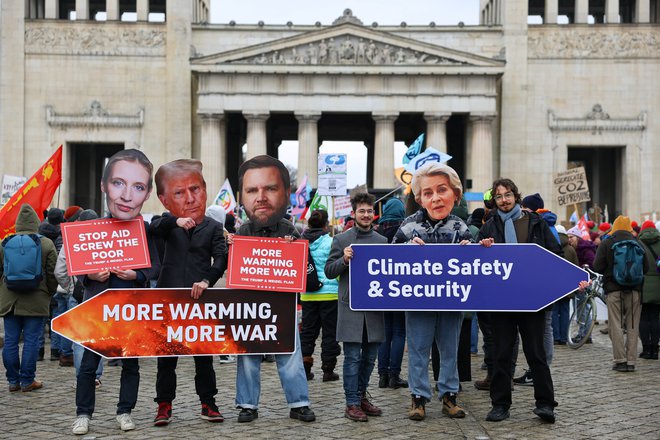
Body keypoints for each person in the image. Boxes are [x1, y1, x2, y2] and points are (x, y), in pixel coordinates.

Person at [72, 149, 161, 435]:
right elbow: (79, 278)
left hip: (131, 308)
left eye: (138, 186)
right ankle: (83, 414)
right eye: (118, 183)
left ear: (147, 194)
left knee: (130, 366)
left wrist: (136, 274)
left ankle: (125, 411)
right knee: (87, 366)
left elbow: (155, 268)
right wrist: (89, 274)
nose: (126, 195)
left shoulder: (145, 231)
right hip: (96, 309)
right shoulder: (90, 229)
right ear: (104, 186)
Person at [228, 154, 315, 423]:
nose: (260, 197)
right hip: (251, 307)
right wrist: (230, 250)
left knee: (289, 356)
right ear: (243, 196)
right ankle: (247, 405)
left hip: (282, 306)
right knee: (248, 358)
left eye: (270, 189)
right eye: (252, 190)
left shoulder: (291, 229)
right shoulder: (241, 232)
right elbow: (233, 274)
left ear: (285, 195)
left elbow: (310, 280)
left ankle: (299, 403)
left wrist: (298, 256)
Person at [149, 159, 227, 425]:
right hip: (168, 301)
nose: (191, 199)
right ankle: (164, 405)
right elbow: (153, 229)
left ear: (205, 190)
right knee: (166, 359)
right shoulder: (165, 224)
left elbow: (221, 259)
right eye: (180, 193)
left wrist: (207, 280)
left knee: (204, 357)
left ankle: (208, 403)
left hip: (199, 300)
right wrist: (175, 221)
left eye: (196, 189)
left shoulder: (215, 228)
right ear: (165, 199)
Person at [477, 178, 560, 424]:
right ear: (495, 200)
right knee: (501, 354)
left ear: (516, 196)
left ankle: (546, 404)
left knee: (536, 354)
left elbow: (555, 254)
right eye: (499, 196)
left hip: (532, 300)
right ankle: (500, 404)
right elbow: (476, 264)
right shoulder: (489, 227)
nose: (504, 200)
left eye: (508, 195)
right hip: (502, 302)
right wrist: (482, 248)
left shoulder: (535, 222)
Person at [392, 163, 471, 421]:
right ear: (419, 199)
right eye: (428, 193)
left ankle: (449, 396)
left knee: (450, 349)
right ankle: (418, 398)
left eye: (442, 190)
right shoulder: (407, 227)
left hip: (451, 300)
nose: (436, 198)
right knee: (418, 349)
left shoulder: (461, 227)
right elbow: (387, 261)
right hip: (418, 303)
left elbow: (475, 267)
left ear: (455, 194)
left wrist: (475, 250)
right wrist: (405, 251)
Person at [325, 192, 385, 422]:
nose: (367, 214)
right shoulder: (341, 240)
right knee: (352, 358)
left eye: (370, 211)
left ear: (374, 213)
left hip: (374, 309)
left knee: (370, 358)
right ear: (354, 213)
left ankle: (361, 396)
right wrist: (344, 261)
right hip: (351, 308)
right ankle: (351, 402)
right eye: (362, 211)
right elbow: (330, 271)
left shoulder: (382, 242)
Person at [0, 204, 58, 392]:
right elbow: (52, 273)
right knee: (32, 340)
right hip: (37, 299)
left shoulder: (5, 243)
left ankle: (12, 381)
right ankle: (27, 380)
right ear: (36, 223)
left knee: (10, 340)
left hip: (10, 300)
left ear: (17, 224)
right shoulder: (46, 243)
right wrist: (49, 292)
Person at [581, 216, 648, 372]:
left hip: (613, 290)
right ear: (629, 228)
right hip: (635, 291)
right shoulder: (638, 243)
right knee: (632, 325)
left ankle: (620, 361)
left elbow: (597, 266)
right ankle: (631, 362)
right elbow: (646, 268)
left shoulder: (607, 242)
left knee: (615, 325)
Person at [54, 209, 105, 387]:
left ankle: (82, 377)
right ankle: (96, 376)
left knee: (78, 338)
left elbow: (60, 270)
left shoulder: (71, 239)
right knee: (98, 336)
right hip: (100, 293)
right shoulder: (105, 239)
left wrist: (69, 287)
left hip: (78, 293)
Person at [300, 209, 341, 382]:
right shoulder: (331, 241)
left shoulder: (301, 242)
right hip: (330, 295)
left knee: (308, 331)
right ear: (326, 224)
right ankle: (328, 369)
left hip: (308, 294)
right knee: (330, 333)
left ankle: (305, 367)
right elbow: (336, 267)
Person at [374, 198, 408, 389]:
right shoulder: (405, 231)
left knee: (385, 333)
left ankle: (382, 376)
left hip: (380, 289)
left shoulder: (377, 232)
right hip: (401, 288)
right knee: (399, 332)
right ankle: (394, 375)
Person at [551, 225, 579, 346]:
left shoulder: (551, 246)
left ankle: (556, 337)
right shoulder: (571, 249)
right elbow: (576, 267)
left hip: (554, 285)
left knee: (554, 312)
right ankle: (564, 337)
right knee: (565, 312)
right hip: (567, 286)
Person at [638, 220, 660, 360]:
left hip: (643, 284)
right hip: (658, 285)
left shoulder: (639, 243)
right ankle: (655, 350)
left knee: (643, 318)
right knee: (656, 318)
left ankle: (646, 350)